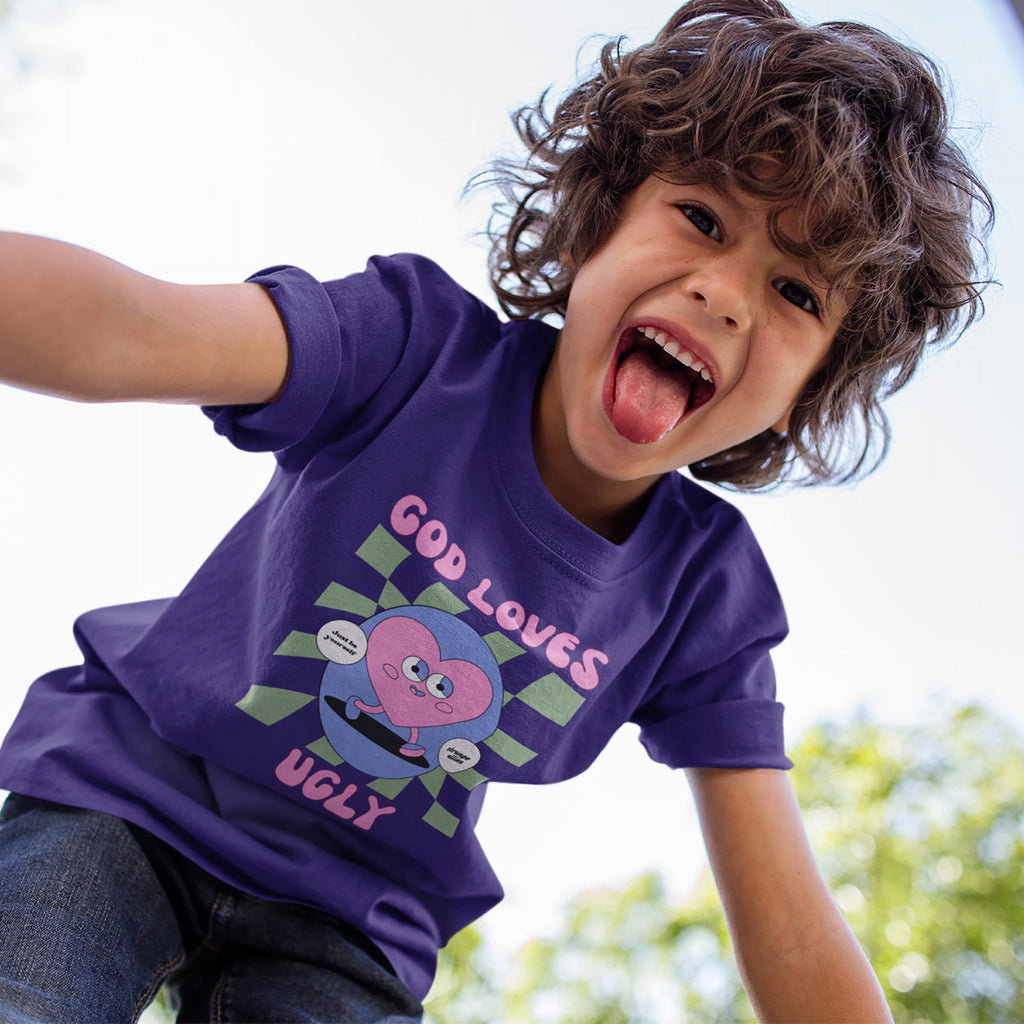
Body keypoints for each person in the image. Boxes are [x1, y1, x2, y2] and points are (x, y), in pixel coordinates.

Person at [0, 0, 991, 1020]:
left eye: (797, 293)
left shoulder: (701, 596)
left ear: (804, 391)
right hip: (127, 796)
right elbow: (131, 328)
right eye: (702, 218)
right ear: (598, 222)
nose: (726, 293)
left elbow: (788, 926)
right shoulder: (409, 350)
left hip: (346, 917)